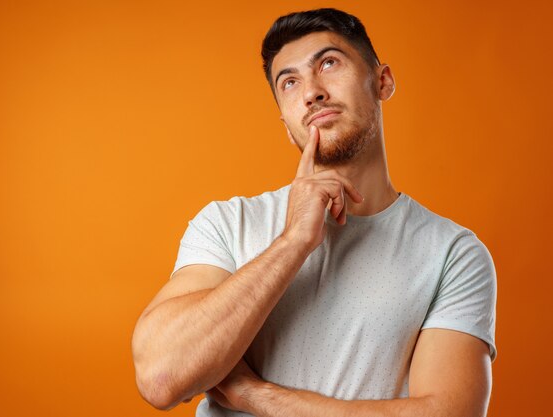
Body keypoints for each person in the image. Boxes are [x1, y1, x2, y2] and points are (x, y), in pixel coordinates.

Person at [131, 7, 497, 417]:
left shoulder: (453, 254)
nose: (311, 91)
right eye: (289, 82)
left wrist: (256, 395)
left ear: (383, 81)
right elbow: (161, 378)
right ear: (287, 124)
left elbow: (449, 413)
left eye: (328, 63)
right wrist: (293, 242)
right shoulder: (226, 224)